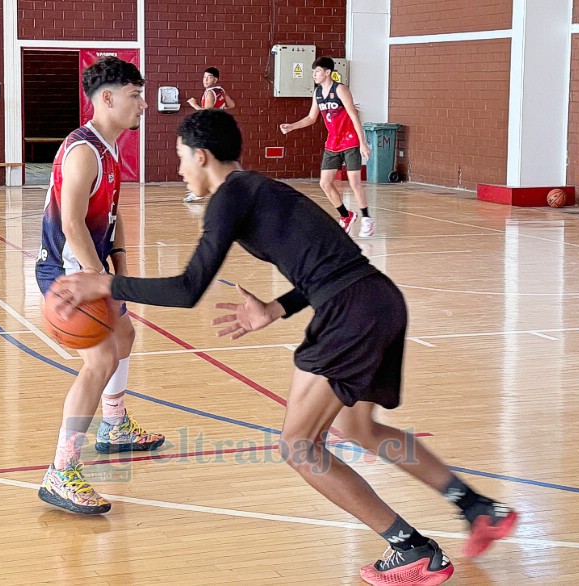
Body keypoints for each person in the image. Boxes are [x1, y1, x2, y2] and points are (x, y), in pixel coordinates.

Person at [53, 109, 518, 583]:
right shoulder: (261, 187)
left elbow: (188, 288)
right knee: (361, 429)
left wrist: (106, 284)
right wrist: (276, 309)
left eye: (180, 158)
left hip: (349, 313)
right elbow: (331, 257)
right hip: (377, 299)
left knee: (299, 447)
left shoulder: (227, 198)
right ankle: (477, 506)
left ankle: (412, 549)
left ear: (201, 155)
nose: (179, 170)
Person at [35, 57, 165, 515]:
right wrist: (99, 283)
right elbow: (71, 223)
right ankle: (61, 470)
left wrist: (121, 270)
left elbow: (114, 214)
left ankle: (114, 426)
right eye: (136, 95)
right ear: (106, 98)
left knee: (125, 336)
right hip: (69, 273)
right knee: (101, 358)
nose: (144, 104)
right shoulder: (84, 150)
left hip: (95, 268)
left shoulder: (108, 149)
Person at [280, 56, 375, 238]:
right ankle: (346, 216)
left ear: (328, 72)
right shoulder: (317, 93)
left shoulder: (340, 90)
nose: (314, 75)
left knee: (354, 182)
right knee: (324, 182)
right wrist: (292, 126)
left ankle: (366, 218)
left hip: (350, 140)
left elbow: (354, 115)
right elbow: (311, 118)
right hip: (333, 142)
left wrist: (363, 142)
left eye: (317, 71)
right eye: (313, 72)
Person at [183, 66, 236, 202]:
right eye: (204, 77)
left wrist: (194, 105)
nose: (206, 80)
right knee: (217, 161)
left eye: (209, 77)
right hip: (221, 128)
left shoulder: (209, 93)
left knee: (200, 159)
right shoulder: (221, 91)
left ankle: (199, 191)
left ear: (215, 79)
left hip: (211, 130)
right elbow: (231, 105)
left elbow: (206, 113)